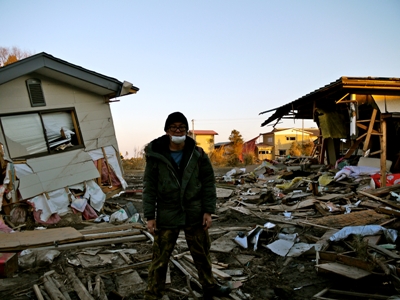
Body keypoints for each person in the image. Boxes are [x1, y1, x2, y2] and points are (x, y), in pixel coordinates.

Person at [143, 112, 231, 300]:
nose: (177, 130)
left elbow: (208, 183)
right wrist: (150, 216)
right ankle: (153, 294)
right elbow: (149, 187)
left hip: (195, 211)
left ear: (187, 130)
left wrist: (208, 211)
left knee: (202, 254)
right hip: (167, 212)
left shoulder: (197, 154)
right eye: (173, 127)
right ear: (166, 130)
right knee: (160, 258)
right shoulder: (155, 154)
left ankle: (210, 286)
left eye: (181, 127)